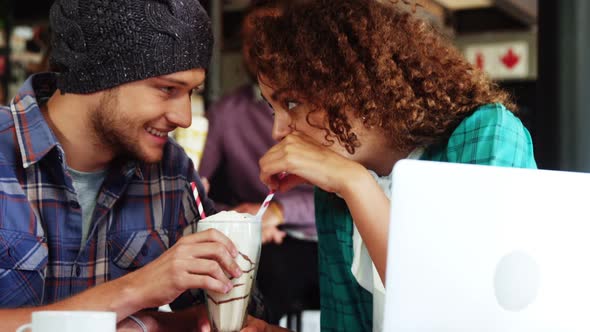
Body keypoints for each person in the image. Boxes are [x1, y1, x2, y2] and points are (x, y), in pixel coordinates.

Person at [242, 0, 538, 331]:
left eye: (291, 102)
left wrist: (356, 185)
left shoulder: (486, 134)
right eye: (273, 109)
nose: (277, 131)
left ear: (354, 84)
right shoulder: (336, 183)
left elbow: (464, 315)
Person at [0, 0, 267, 331]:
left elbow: (220, 314)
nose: (184, 117)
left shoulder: (171, 171)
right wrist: (135, 291)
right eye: (167, 89)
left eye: (191, 91)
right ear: (97, 74)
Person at [199, 2, 319, 324]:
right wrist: (245, 223)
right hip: (266, 245)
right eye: (252, 39)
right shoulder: (226, 113)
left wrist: (279, 213)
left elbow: (351, 189)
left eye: (273, 35)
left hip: (321, 234)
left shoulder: (324, 105)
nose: (260, 47)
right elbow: (198, 189)